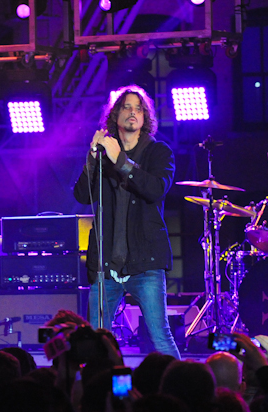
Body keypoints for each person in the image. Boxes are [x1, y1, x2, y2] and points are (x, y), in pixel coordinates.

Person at [73, 85, 180, 359]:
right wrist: (92, 158)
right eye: (126, 107)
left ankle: (184, 392)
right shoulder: (104, 154)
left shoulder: (159, 153)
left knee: (160, 336)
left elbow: (155, 188)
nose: (132, 112)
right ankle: (103, 397)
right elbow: (82, 195)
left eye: (138, 108)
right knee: (95, 342)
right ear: (115, 116)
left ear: (145, 118)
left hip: (146, 264)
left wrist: (120, 160)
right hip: (106, 266)